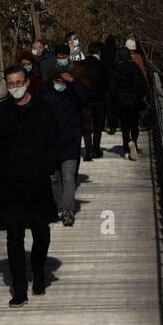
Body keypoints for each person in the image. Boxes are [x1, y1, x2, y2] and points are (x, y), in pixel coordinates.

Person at [0, 64, 60, 306]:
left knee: (42, 233)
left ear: (27, 82)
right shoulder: (1, 114)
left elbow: (53, 142)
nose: (15, 87)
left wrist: (46, 168)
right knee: (14, 237)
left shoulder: (44, 110)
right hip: (11, 186)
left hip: (38, 184)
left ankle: (38, 271)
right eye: (11, 84)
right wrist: (2, 173)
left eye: (19, 82)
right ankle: (19, 289)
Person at [41, 61, 91, 225]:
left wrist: (73, 81)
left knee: (69, 177)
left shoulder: (73, 91)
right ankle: (59, 208)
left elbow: (86, 97)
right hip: (50, 143)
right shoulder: (45, 93)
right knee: (54, 179)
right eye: (58, 80)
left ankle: (67, 210)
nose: (60, 83)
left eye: (63, 80)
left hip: (70, 141)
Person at [110, 49, 147, 160]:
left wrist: (115, 99)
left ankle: (126, 145)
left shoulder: (116, 69)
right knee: (134, 124)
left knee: (124, 125)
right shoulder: (135, 68)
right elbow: (142, 84)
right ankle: (134, 141)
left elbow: (112, 87)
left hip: (121, 102)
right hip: (134, 101)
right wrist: (139, 97)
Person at [83, 41, 108, 158]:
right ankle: (96, 148)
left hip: (85, 99)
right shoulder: (102, 65)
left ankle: (88, 150)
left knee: (87, 125)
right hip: (99, 98)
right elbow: (106, 83)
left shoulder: (81, 64)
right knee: (98, 125)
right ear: (98, 51)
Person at [102, 34, 118, 133]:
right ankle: (115, 125)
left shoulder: (104, 52)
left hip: (106, 83)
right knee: (115, 105)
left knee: (108, 106)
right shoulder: (115, 52)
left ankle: (109, 125)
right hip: (115, 82)